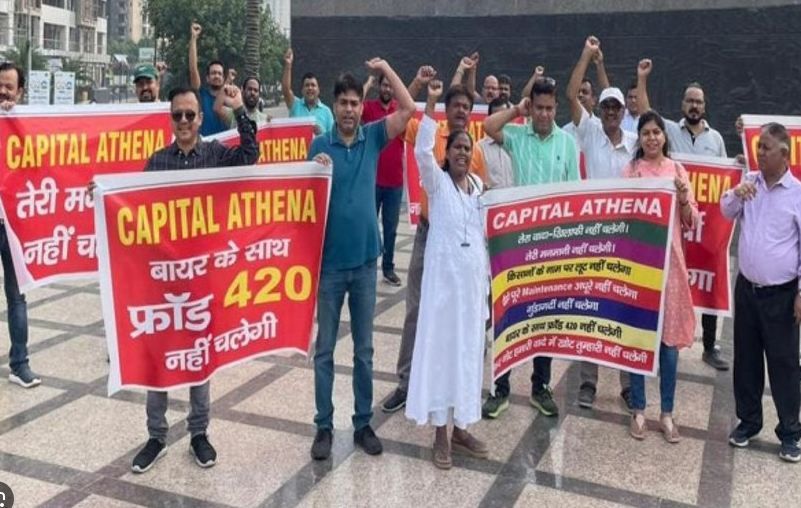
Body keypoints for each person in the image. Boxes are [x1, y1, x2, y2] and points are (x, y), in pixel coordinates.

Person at [130, 85, 259, 474]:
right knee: (159, 357)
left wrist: (239, 111)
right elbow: (131, 209)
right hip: (164, 281)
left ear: (201, 119)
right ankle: (156, 436)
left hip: (202, 277)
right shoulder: (157, 162)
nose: (184, 121)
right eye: (178, 115)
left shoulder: (216, 155)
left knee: (199, 356)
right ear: (170, 119)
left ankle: (199, 433)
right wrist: (102, 194)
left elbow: (250, 156)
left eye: (190, 114)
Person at [307, 58, 415, 461]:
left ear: (360, 105)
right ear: (334, 106)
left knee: (364, 351)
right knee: (324, 351)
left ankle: (362, 422)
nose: (350, 109)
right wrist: (313, 171)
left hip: (367, 264)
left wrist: (386, 68)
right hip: (330, 267)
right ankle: (323, 425)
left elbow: (408, 109)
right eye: (344, 103)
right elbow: (303, 203)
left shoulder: (373, 137)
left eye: (355, 102)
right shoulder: (319, 147)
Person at [381, 77, 487, 415]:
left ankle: (458, 387)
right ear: (447, 109)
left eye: (466, 107)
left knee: (461, 313)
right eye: (456, 106)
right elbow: (405, 119)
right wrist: (426, 95)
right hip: (430, 235)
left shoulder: (475, 150)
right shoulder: (430, 135)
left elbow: (480, 199)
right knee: (417, 308)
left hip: (463, 247)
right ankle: (406, 382)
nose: (461, 111)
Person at [482, 76, 579, 419]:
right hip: (518, 245)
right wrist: (516, 110)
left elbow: (574, 195)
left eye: (549, 108)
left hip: (551, 247)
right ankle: (500, 388)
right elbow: (488, 127)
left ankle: (541, 387)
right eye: (538, 108)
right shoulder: (517, 136)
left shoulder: (567, 143)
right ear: (531, 106)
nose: (544, 114)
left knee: (545, 317)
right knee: (508, 314)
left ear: (556, 108)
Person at [406, 79, 489, 469]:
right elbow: (422, 149)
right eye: (456, 148)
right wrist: (432, 102)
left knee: (468, 356)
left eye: (467, 149)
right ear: (447, 152)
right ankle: (440, 433)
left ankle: (462, 427)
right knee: (443, 357)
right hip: (443, 293)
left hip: (470, 292)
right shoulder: (436, 184)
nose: (462, 153)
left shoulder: (478, 189)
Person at [565, 36, 647, 410]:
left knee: (625, 312)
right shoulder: (590, 133)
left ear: (622, 111)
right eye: (606, 107)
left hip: (626, 242)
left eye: (616, 107)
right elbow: (571, 94)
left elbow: (651, 124)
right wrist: (586, 54)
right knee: (591, 310)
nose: (612, 112)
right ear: (599, 110)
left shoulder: (634, 142)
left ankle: (628, 383)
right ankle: (588, 382)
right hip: (594, 238)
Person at [721, 122, 801, 463]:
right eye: (759, 147)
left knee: (784, 363)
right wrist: (736, 194)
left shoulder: (797, 193)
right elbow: (725, 210)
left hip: (782, 295)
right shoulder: (750, 183)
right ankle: (749, 421)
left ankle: (791, 432)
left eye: (766, 148)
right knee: (747, 359)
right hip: (747, 289)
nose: (760, 152)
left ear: (784, 154)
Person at [641, 79, 729, 370]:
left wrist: (742, 156)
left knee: (708, 277)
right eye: (690, 101)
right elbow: (646, 113)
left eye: (699, 102)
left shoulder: (716, 139)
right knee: (669, 283)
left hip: (703, 222)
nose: (694, 106)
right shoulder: (668, 131)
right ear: (682, 104)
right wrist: (643, 79)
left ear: (704, 106)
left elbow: (727, 176)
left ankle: (709, 346)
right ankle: (658, 342)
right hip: (672, 223)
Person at [623, 110, 699, 443]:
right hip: (639, 266)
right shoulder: (631, 172)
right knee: (638, 337)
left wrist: (682, 199)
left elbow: (691, 221)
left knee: (669, 343)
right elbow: (620, 216)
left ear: (665, 137)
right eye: (646, 133)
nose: (652, 138)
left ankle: (667, 413)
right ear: (639, 138)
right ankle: (638, 409)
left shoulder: (677, 171)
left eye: (657, 132)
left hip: (671, 270)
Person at [0, 61, 39, 389]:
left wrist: (17, 122)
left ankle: (20, 363)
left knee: (17, 296)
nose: (3, 92)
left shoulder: (27, 125)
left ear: (20, 92)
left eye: (9, 87)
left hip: (13, 225)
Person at [362, 73, 405, 286]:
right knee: (368, 226)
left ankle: (388, 268)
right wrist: (367, 84)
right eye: (384, 85)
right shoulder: (369, 108)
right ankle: (367, 266)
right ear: (379, 87)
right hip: (372, 180)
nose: (387, 89)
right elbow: (354, 106)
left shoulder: (400, 110)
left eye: (390, 86)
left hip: (395, 182)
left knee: (391, 229)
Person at [188, 22, 229, 136]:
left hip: (225, 146)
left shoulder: (229, 100)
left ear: (223, 78)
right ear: (207, 78)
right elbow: (193, 69)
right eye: (213, 73)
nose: (216, 76)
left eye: (219, 74)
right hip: (204, 145)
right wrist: (194, 38)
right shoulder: (201, 96)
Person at [282, 48, 334, 135]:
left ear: (318, 90)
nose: (310, 88)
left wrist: (321, 134)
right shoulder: (295, 105)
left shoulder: (326, 112)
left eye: (313, 85)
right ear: (302, 90)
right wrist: (288, 65)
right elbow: (285, 90)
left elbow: (332, 138)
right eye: (307, 85)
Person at [478, 98, 513, 189]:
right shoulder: (480, 148)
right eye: (496, 117)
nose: (500, 120)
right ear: (489, 119)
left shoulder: (519, 146)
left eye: (504, 116)